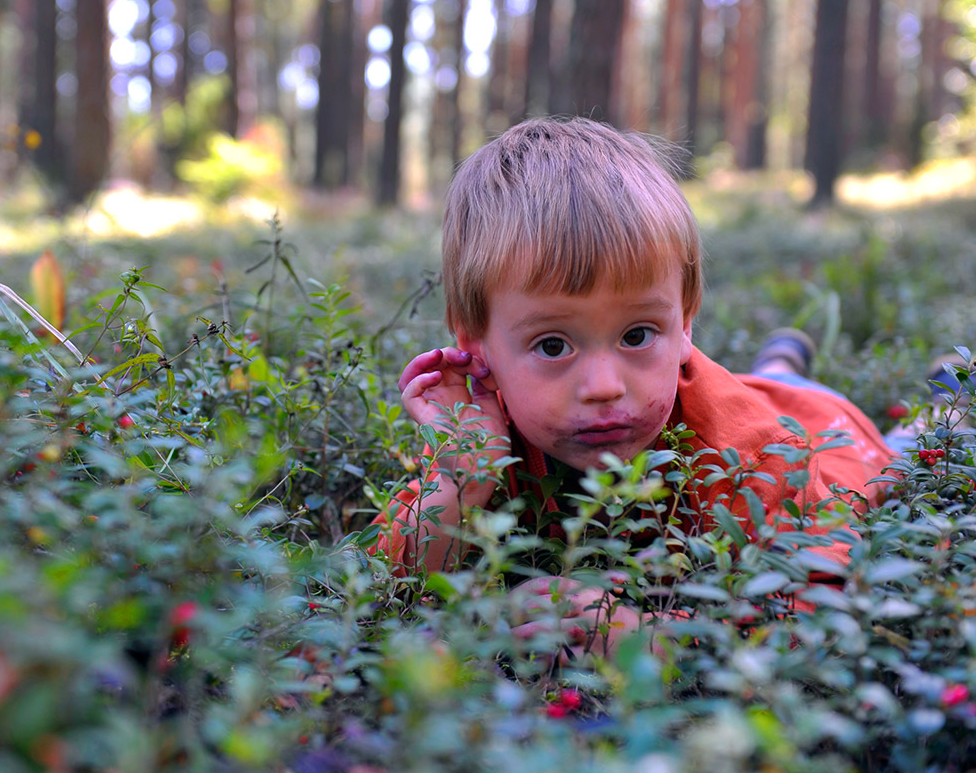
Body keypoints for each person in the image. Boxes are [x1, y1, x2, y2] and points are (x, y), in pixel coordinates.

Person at [371, 117, 898, 652]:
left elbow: (818, 605)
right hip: (712, 388)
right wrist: (462, 479)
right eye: (553, 345)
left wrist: (652, 641)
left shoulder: (755, 457)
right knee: (763, 381)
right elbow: (386, 583)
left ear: (686, 324)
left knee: (896, 449)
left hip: (820, 426)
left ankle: (825, 381)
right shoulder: (488, 433)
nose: (603, 387)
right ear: (477, 345)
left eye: (638, 334)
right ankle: (778, 361)